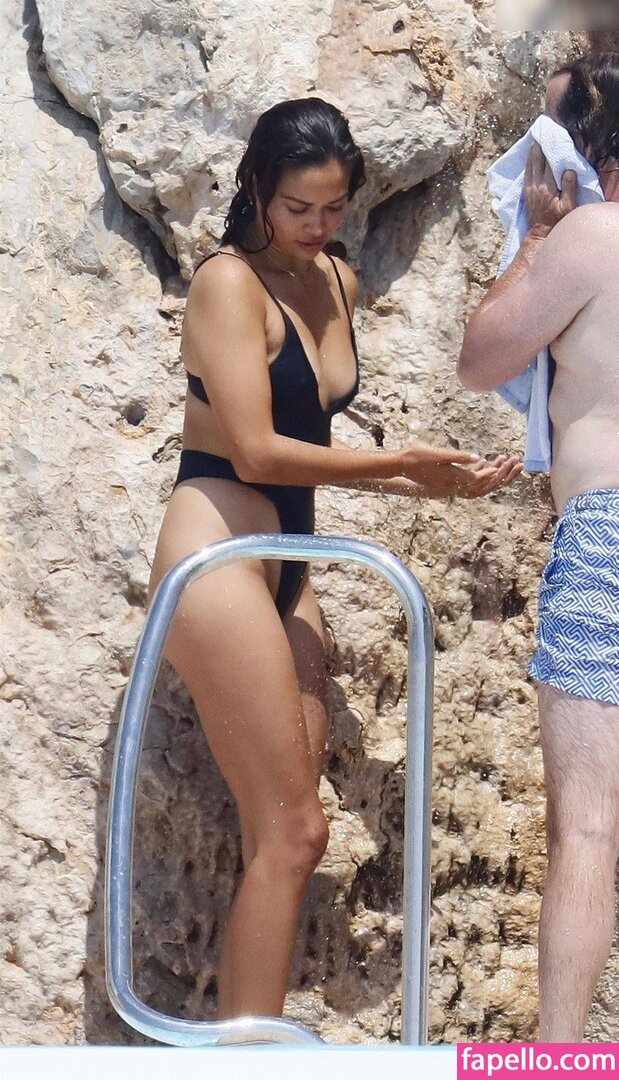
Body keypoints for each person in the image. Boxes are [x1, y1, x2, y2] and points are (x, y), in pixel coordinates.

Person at [149, 97, 521, 1022]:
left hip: (292, 561)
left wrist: (435, 485)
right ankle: (249, 1057)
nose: (316, 227)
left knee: (286, 838)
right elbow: (255, 450)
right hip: (219, 551)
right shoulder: (227, 283)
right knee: (296, 831)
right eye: (296, 209)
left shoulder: (336, 281)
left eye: (332, 207)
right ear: (256, 190)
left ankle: (251, 1046)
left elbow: (311, 445)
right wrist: (398, 463)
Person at [458, 54, 619, 1042]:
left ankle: (560, 1063)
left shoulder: (592, 237)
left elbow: (482, 360)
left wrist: (538, 235)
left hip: (608, 531)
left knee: (589, 825)